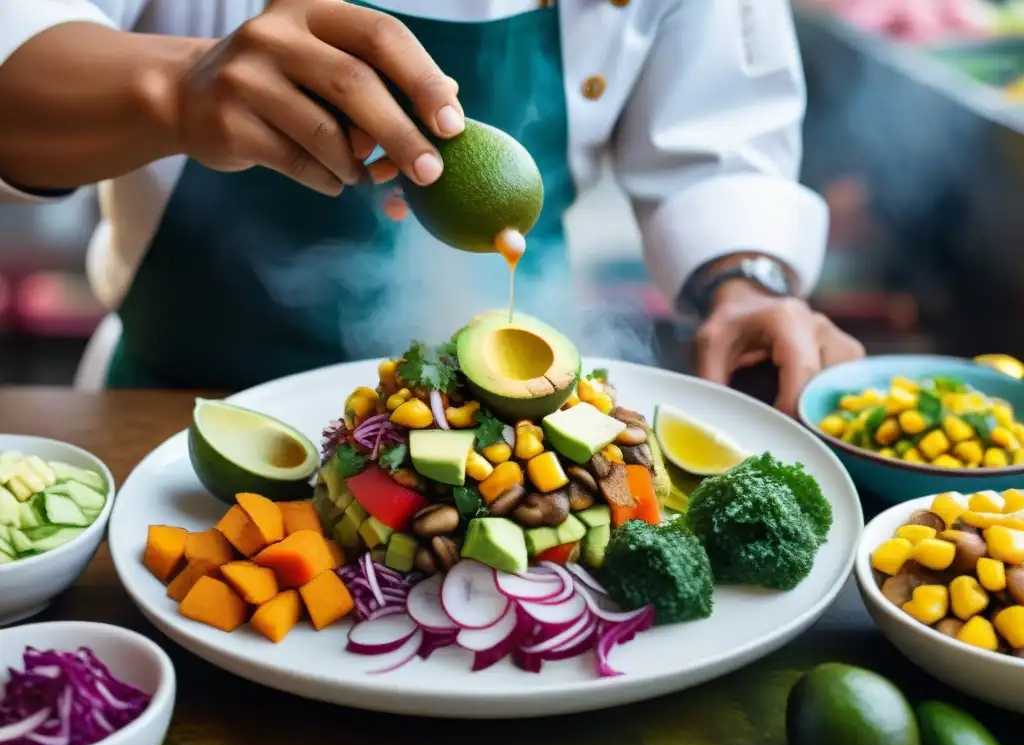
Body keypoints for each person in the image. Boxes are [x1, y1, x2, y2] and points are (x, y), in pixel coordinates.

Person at [0, 0, 864, 415]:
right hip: (175, 412)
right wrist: (177, 89)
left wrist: (745, 283)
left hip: (513, 427)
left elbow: (719, 132)